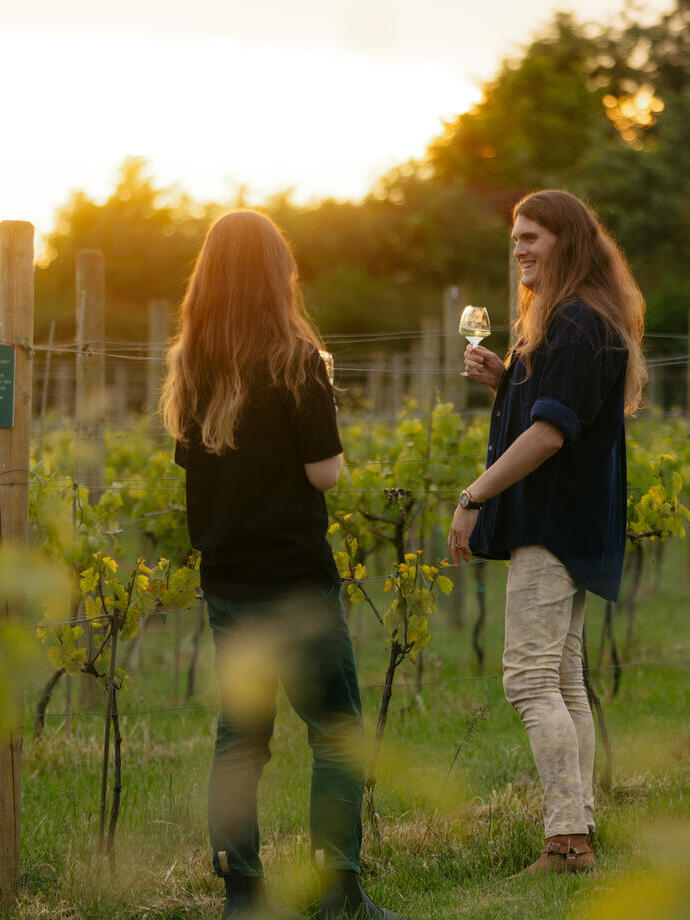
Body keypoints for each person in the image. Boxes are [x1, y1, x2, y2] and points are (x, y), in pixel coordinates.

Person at [161, 210, 401, 919]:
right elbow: (324, 473)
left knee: (241, 740)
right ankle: (338, 893)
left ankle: (243, 897)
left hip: (227, 583)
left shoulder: (192, 367)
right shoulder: (297, 363)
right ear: (277, 277)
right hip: (295, 582)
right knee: (335, 730)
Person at [448, 189, 646, 875]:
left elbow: (551, 434)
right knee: (562, 682)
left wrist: (472, 496)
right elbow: (561, 410)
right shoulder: (580, 321)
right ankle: (575, 834)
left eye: (534, 236)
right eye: (516, 239)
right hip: (576, 521)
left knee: (530, 681)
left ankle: (568, 842)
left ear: (568, 241)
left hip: (553, 523)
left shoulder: (572, 323)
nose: (521, 249)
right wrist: (507, 379)